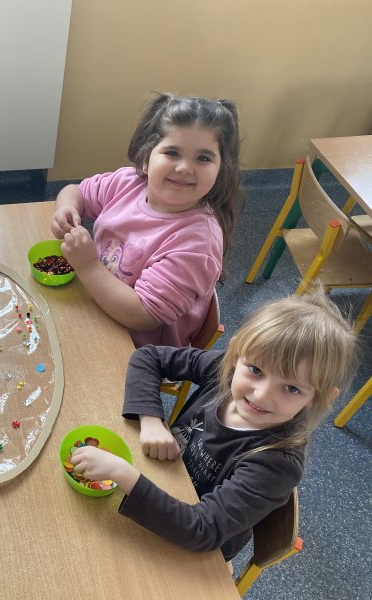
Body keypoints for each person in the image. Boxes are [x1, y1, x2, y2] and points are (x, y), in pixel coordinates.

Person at [69, 290, 357, 560]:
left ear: (317, 397)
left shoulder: (278, 464)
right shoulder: (226, 370)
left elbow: (202, 530)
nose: (261, 395)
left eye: (291, 388)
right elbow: (149, 357)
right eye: (256, 370)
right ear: (236, 353)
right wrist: (151, 420)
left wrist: (121, 473)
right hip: (164, 479)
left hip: (195, 548)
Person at [51, 93, 244, 348]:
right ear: (146, 158)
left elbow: (143, 316)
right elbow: (76, 191)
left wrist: (87, 265)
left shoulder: (198, 244)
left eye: (203, 158)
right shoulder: (127, 183)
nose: (185, 167)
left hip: (136, 349)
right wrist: (66, 208)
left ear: (221, 170)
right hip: (95, 302)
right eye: (172, 152)